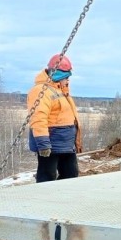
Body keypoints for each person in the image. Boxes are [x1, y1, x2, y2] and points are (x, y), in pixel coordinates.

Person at [27, 53, 82, 182]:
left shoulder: (61, 90)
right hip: (51, 144)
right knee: (47, 176)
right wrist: (43, 144)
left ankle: (65, 194)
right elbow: (38, 118)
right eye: (66, 77)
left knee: (71, 175)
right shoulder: (41, 90)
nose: (68, 81)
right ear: (58, 75)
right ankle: (44, 195)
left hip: (65, 143)